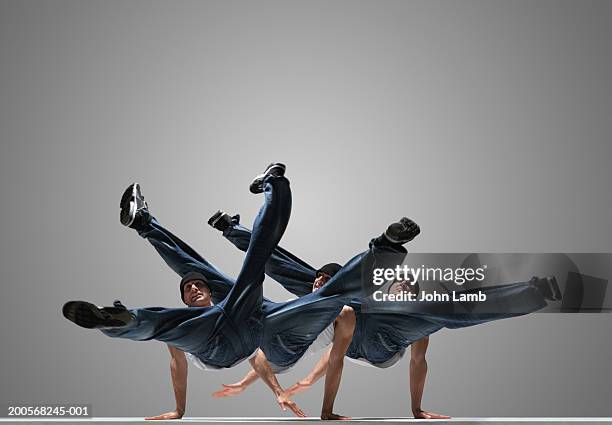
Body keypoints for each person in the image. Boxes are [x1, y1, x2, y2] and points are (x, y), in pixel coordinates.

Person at [210, 213, 561, 419]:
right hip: (353, 318)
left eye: (405, 288)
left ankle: (533, 293)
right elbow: (332, 355)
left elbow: (416, 363)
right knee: (316, 279)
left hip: (380, 346)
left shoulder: (413, 317)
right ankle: (232, 229)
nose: (400, 291)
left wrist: (416, 408)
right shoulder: (368, 298)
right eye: (397, 287)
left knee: (444, 308)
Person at [63, 163, 306, 419]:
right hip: (212, 347)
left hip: (238, 325)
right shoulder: (184, 323)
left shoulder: (225, 304)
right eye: (188, 289)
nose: (193, 288)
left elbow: (256, 356)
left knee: (240, 263)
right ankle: (121, 320)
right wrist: (179, 410)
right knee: (167, 322)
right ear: (186, 301)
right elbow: (178, 364)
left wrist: (277, 390)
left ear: (211, 295)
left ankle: (144, 227)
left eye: (198, 287)